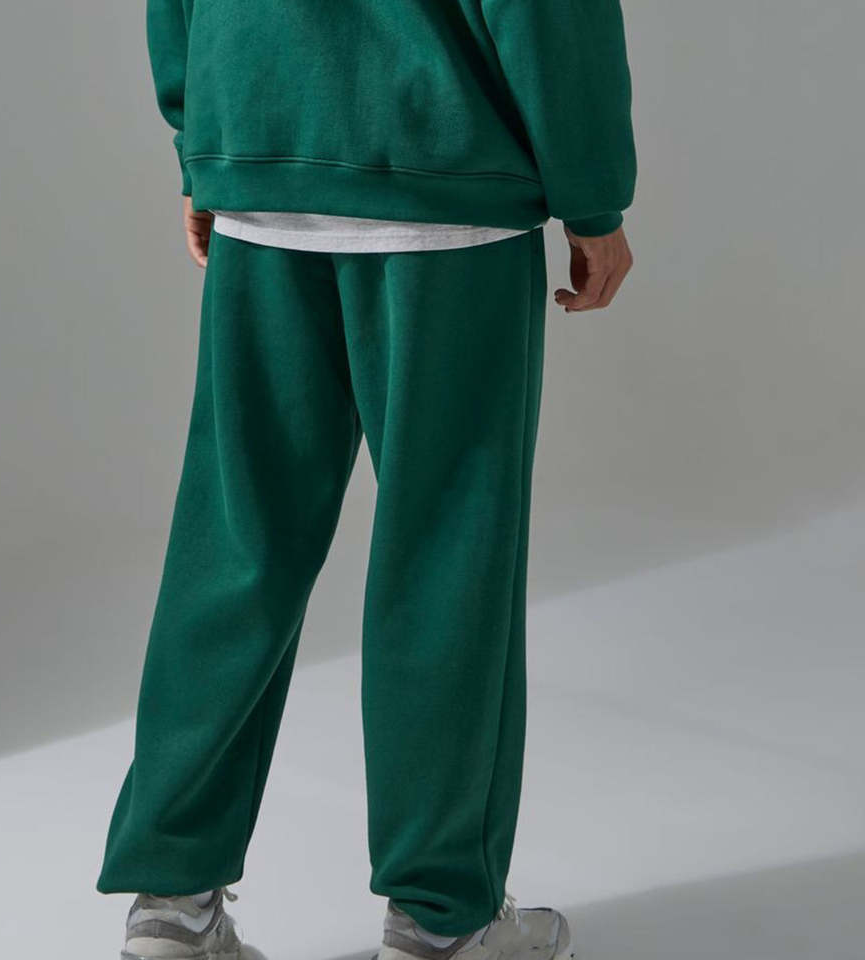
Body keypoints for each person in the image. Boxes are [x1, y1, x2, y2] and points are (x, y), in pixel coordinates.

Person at [97, 1, 636, 958]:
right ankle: (440, 919)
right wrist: (593, 198)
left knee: (235, 549)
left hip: (261, 162)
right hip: (444, 187)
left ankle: (171, 905)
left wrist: (205, 143)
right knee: (446, 556)